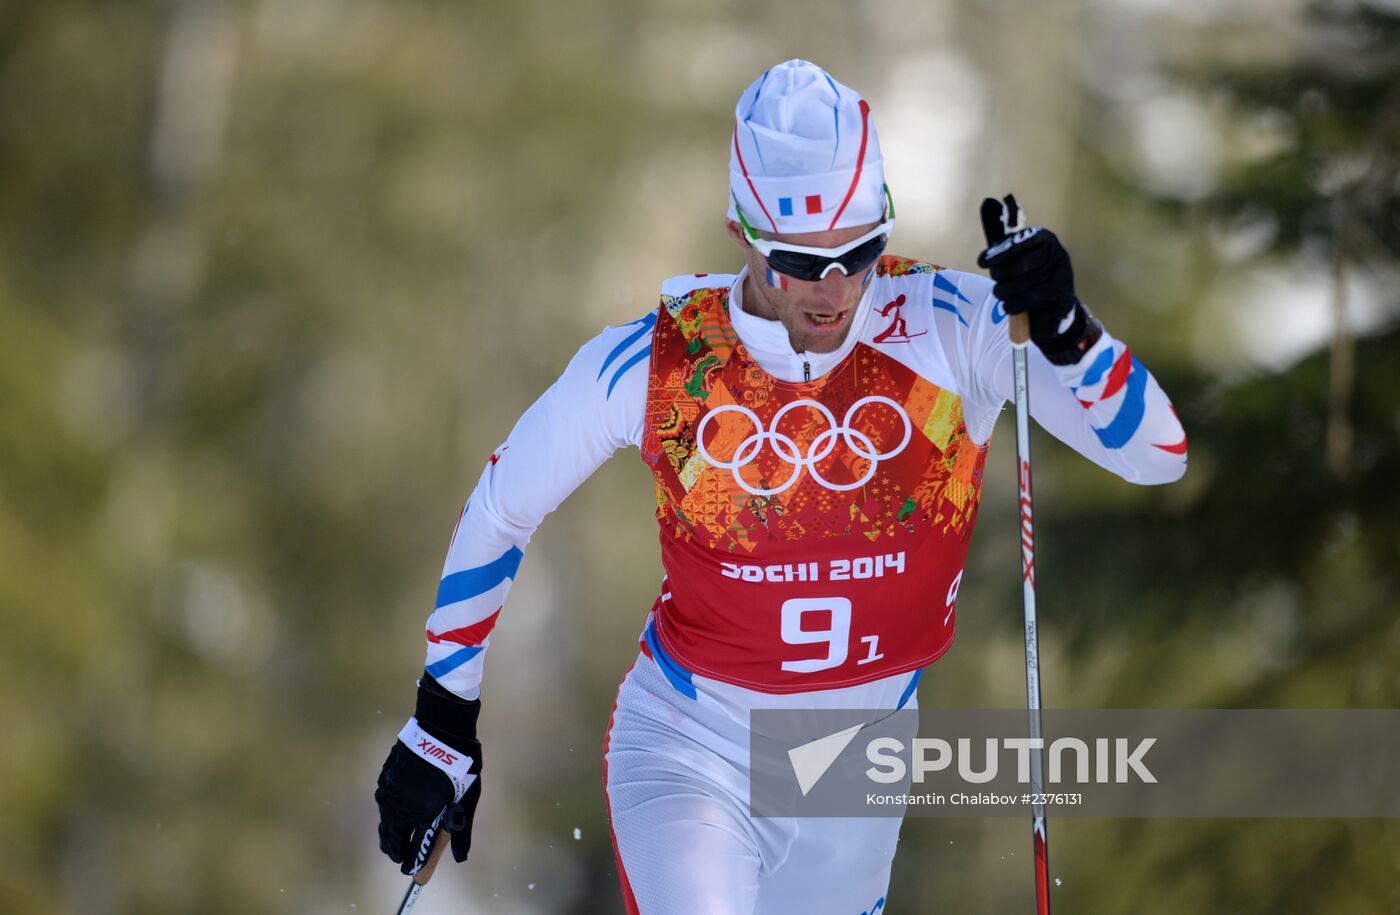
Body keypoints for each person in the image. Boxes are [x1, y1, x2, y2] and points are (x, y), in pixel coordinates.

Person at [374, 58, 1188, 913]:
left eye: (860, 251)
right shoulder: (662, 362)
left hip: (859, 772)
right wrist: (442, 713)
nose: (836, 289)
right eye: (801, 260)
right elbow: (505, 506)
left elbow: (1157, 454)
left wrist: (1070, 333)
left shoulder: (953, 328)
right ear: (743, 233)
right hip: (694, 746)